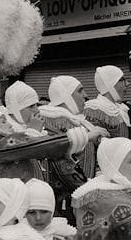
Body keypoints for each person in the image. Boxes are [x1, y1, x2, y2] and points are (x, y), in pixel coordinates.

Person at [0, 82, 105, 220]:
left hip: (28, 209)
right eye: (30, 106)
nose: (37, 110)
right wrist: (84, 136)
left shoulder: (28, 134)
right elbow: (31, 147)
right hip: (5, 212)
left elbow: (52, 155)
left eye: (36, 105)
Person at [41, 76, 101, 212]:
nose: (85, 96)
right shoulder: (58, 121)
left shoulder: (75, 120)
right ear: (65, 96)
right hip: (68, 200)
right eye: (80, 91)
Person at [83, 65, 131, 139]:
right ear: (110, 83)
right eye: (122, 80)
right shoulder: (95, 109)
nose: (127, 83)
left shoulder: (121, 107)